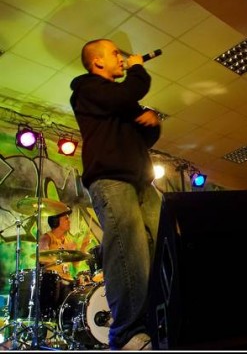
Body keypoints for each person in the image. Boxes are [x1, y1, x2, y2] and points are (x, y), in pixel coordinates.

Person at [69, 39, 163, 350]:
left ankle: (155, 323)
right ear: (97, 63)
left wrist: (152, 124)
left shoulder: (120, 103)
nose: (121, 59)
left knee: (158, 248)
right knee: (129, 250)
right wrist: (138, 67)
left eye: (123, 56)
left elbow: (142, 135)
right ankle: (125, 334)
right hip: (111, 180)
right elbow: (129, 92)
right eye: (115, 54)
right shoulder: (86, 87)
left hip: (141, 182)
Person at [39, 208, 90, 281]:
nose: (69, 221)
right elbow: (41, 259)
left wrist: (83, 246)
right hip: (52, 281)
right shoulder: (46, 238)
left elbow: (76, 264)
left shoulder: (67, 240)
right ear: (56, 222)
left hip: (67, 280)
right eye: (66, 219)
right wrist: (61, 254)